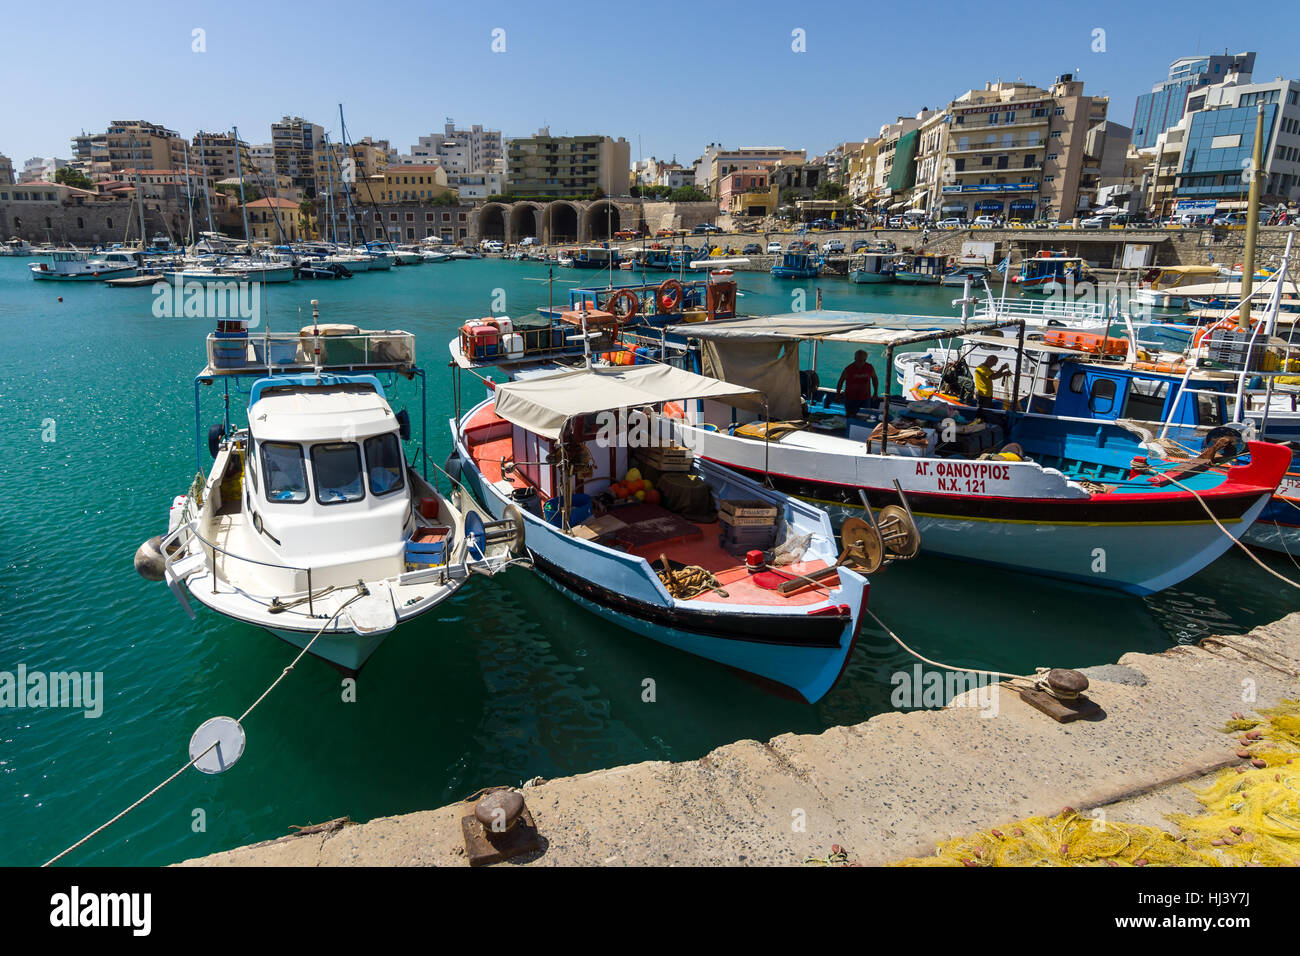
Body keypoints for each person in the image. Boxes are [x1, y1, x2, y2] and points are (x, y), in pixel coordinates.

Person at [836, 351, 878, 419]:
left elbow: (874, 378)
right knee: (850, 418)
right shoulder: (848, 369)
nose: (862, 362)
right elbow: (840, 381)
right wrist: (837, 395)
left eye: (864, 360)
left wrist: (875, 392)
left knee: (864, 418)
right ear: (855, 358)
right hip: (851, 399)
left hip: (865, 399)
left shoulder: (869, 367)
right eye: (860, 360)